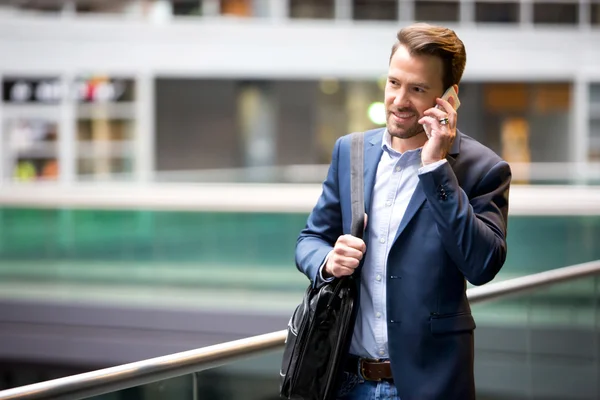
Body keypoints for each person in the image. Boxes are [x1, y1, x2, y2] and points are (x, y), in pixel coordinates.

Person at [295, 23, 511, 400]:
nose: (399, 100)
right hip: (346, 382)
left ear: (449, 97)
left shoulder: (483, 168)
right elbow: (310, 239)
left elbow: (482, 266)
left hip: (431, 386)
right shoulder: (352, 151)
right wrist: (328, 260)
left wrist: (435, 169)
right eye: (394, 83)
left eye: (417, 89)